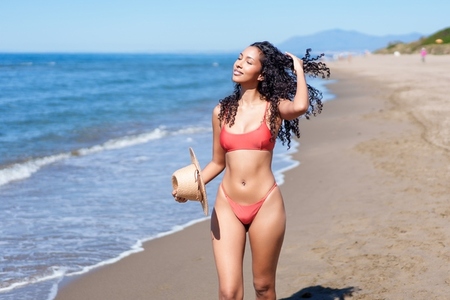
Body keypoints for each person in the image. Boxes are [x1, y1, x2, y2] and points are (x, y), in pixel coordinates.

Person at [173, 41, 329, 300]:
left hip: (265, 204)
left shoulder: (274, 108)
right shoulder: (221, 111)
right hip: (227, 204)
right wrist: (191, 186)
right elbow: (218, 163)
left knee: (264, 288)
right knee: (228, 292)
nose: (239, 63)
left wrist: (299, 70)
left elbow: (300, 106)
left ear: (262, 73)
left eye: (248, 61)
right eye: (239, 58)